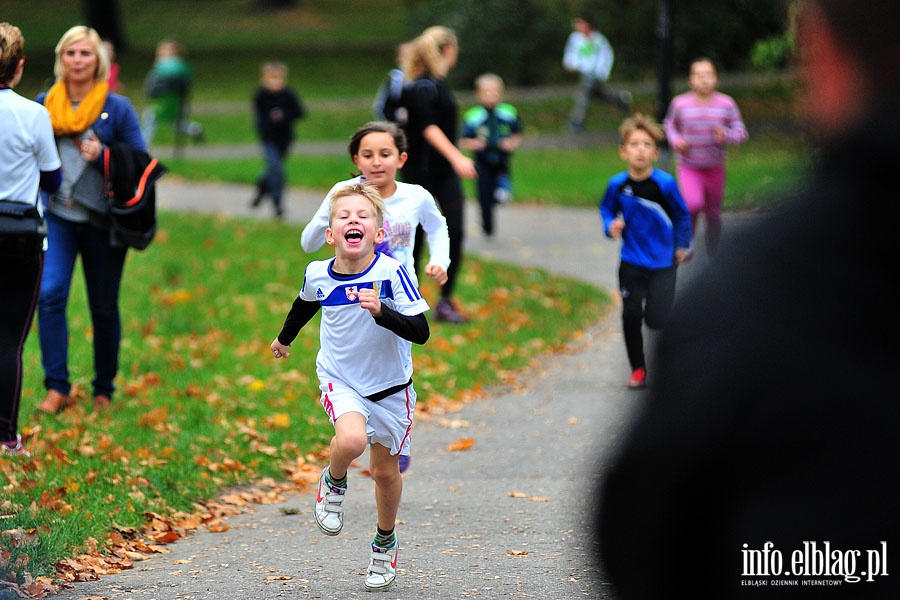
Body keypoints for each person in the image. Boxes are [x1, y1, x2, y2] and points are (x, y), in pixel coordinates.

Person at [597, 1, 900, 597]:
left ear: (824, 54)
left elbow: (649, 535)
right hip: (644, 257)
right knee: (642, 310)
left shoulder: (763, 295)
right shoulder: (752, 283)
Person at [271, 182, 429, 592]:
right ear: (330, 233)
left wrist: (382, 312)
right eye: (343, 216)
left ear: (379, 234)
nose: (352, 221)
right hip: (340, 379)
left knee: (385, 474)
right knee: (352, 440)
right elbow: (304, 303)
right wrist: (284, 339)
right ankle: (334, 480)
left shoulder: (392, 273)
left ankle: (384, 542)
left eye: (363, 216)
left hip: (392, 389)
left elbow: (421, 330)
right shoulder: (317, 273)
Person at [301, 121, 448, 475]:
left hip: (399, 294)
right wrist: (325, 227)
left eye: (385, 154)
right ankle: (352, 421)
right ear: (356, 159)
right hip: (353, 294)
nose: (376, 162)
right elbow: (309, 240)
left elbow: (438, 226)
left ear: (401, 158)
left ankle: (397, 437)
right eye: (368, 155)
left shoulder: (416, 196)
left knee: (396, 365)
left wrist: (438, 261)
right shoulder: (345, 194)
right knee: (359, 358)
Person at [34, 25, 146, 414]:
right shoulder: (43, 103)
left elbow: (142, 163)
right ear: (60, 59)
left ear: (98, 60)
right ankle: (56, 387)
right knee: (49, 296)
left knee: (103, 306)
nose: (77, 60)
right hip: (57, 218)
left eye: (85, 53)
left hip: (103, 222)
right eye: (70, 53)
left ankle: (103, 389)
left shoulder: (117, 108)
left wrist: (105, 155)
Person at [0, 22, 62, 457]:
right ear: (20, 66)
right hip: (19, 237)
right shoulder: (33, 114)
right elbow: (53, 179)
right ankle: (6, 435)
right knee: (8, 339)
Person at [599, 113, 691, 390]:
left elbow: (682, 216)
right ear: (623, 151)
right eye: (634, 144)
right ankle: (638, 369)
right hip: (632, 261)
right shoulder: (617, 185)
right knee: (630, 315)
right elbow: (606, 209)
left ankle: (670, 356)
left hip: (663, 262)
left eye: (647, 144)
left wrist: (681, 245)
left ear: (655, 152)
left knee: (656, 319)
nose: (640, 149)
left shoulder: (665, 184)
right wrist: (610, 225)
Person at [401, 25, 477, 323]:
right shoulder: (422, 87)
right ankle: (408, 296)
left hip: (444, 174)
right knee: (415, 236)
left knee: (454, 231)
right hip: (421, 173)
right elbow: (428, 127)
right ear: (449, 51)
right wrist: (457, 157)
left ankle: (445, 301)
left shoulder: (439, 85)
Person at [664, 57, 748, 260]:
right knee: (692, 204)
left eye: (708, 75)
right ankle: (688, 241)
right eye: (698, 75)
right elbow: (669, 125)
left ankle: (714, 250)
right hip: (689, 165)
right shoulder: (680, 103)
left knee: (713, 213)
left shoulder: (726, 103)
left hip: (715, 167)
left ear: (716, 79)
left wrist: (726, 135)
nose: (703, 80)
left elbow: (741, 131)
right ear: (690, 80)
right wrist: (676, 141)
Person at [460, 73, 524, 237]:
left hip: (502, 160)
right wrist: (477, 143)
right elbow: (464, 140)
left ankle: (502, 192)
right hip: (483, 161)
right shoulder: (473, 116)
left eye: (495, 92)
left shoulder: (509, 113)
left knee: (500, 192)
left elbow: (518, 133)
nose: (491, 96)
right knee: (484, 195)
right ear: (478, 95)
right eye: (487, 92)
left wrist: (511, 143)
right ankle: (487, 224)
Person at [250, 61, 306, 219]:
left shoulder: (288, 94)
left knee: (273, 169)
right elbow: (258, 118)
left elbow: (300, 112)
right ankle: (277, 203)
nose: (275, 83)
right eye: (271, 79)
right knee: (277, 169)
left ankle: (261, 189)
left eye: (278, 79)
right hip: (268, 139)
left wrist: (284, 115)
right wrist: (267, 124)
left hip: (285, 139)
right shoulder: (261, 95)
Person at [562, 15, 631, 133]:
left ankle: (576, 121)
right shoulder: (575, 38)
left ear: (587, 25)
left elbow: (607, 56)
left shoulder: (599, 40)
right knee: (598, 94)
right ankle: (621, 100)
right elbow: (571, 53)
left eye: (579, 23)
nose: (576, 26)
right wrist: (570, 64)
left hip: (595, 74)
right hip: (584, 73)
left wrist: (602, 72)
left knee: (583, 95)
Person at [141, 38, 202, 146]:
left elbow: (154, 84)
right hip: (172, 100)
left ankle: (143, 144)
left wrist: (151, 92)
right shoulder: (182, 66)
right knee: (174, 122)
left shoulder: (166, 66)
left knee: (150, 118)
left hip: (165, 100)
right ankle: (194, 129)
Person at [372, 41, 412, 127]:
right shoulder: (396, 78)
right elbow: (380, 106)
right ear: (398, 58)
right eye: (406, 55)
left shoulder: (424, 79)